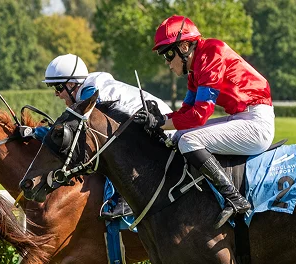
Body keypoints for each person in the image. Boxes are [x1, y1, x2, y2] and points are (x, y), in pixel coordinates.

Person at [134, 15, 275, 226]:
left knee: (188, 141)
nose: (167, 63)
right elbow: (186, 112)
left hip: (256, 123)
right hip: (242, 117)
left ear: (184, 47)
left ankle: (235, 199)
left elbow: (199, 116)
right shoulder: (195, 71)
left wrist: (159, 123)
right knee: (179, 136)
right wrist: (160, 119)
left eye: (168, 54)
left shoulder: (212, 52)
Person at [40, 54, 173, 220]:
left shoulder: (89, 94)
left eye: (58, 88)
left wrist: (40, 133)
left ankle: (124, 199)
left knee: (106, 149)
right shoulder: (87, 88)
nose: (56, 94)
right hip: (149, 125)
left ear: (72, 84)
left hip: (161, 129)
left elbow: (72, 131)